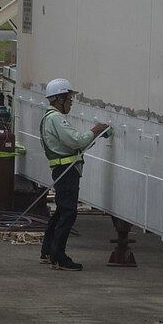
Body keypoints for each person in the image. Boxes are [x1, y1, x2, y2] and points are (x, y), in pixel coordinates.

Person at [39, 78, 110, 271]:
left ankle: (47, 251)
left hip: (63, 170)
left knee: (62, 211)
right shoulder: (55, 118)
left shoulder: (50, 118)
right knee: (68, 213)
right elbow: (76, 141)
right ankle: (58, 257)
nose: (71, 102)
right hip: (66, 172)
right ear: (59, 99)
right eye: (69, 98)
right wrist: (95, 131)